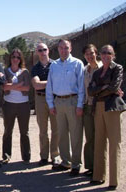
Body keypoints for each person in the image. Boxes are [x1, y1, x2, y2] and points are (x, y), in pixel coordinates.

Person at [88, 45, 126, 191]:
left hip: (112, 108)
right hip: (98, 107)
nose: (105, 55)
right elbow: (90, 91)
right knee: (99, 142)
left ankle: (113, 181)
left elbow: (114, 87)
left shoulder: (117, 68)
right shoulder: (97, 72)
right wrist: (104, 89)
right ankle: (98, 176)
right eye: (103, 52)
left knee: (114, 143)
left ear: (113, 55)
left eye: (108, 53)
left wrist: (101, 90)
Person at [46, 39, 84, 176]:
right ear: (58, 49)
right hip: (59, 102)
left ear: (71, 48)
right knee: (61, 134)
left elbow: (81, 86)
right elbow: (49, 86)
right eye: (61, 48)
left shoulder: (77, 64)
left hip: (73, 101)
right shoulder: (54, 65)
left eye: (66, 47)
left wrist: (80, 105)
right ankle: (65, 162)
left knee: (75, 134)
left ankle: (76, 164)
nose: (63, 50)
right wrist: (51, 104)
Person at [31, 43, 59, 166]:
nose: (42, 52)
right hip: (41, 99)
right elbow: (36, 85)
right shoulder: (35, 67)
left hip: (55, 99)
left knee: (56, 129)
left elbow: (58, 83)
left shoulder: (56, 65)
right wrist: (52, 82)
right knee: (43, 129)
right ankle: (43, 156)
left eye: (44, 49)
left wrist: (44, 83)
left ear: (48, 51)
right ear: (37, 52)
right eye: (40, 50)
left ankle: (55, 155)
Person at [2, 48, 31, 165]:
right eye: (13, 57)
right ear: (10, 58)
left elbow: (27, 88)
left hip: (23, 105)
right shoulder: (5, 71)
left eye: (18, 57)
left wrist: (11, 86)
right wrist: (19, 85)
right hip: (9, 104)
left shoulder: (25, 72)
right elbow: (4, 87)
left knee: (24, 131)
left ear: (20, 59)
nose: (15, 59)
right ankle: (6, 156)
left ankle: (26, 156)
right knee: (8, 131)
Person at [82, 44, 102, 177]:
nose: (90, 56)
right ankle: (90, 166)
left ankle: (99, 167)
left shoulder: (102, 68)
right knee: (89, 137)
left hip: (99, 105)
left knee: (99, 137)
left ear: (96, 53)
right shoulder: (85, 69)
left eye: (92, 53)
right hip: (87, 105)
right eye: (87, 54)